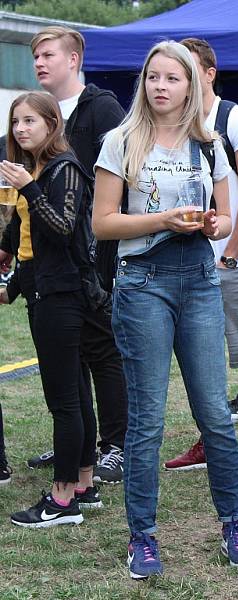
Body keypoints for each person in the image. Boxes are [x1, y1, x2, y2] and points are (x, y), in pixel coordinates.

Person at [92, 40, 238, 579]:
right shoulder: (120, 142)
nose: (161, 86)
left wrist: (213, 225)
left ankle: (234, 522)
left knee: (213, 411)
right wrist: (162, 222)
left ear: (192, 85)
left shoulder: (208, 145)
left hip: (200, 280)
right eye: (153, 77)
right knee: (147, 421)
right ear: (143, 84)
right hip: (142, 284)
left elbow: (228, 218)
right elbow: (103, 224)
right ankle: (142, 536)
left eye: (172, 78)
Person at [9, 26, 128, 483]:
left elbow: (121, 171)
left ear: (74, 59)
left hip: (91, 252)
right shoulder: (37, 115)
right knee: (69, 362)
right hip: (51, 265)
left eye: (48, 54)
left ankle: (113, 446)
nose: (39, 62)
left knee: (101, 350)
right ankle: (75, 448)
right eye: (35, 55)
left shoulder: (100, 108)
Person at [161, 38, 238, 487]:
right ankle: (213, 440)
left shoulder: (236, 120)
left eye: (187, 70)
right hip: (184, 261)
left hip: (229, 264)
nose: (179, 80)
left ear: (208, 73)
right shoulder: (172, 122)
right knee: (199, 358)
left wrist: (230, 256)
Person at [1, 91, 104, 526]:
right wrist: (12, 287)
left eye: (30, 121)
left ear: (52, 124)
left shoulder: (63, 168)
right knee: (77, 395)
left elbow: (61, 231)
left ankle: (62, 500)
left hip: (63, 298)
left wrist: (29, 188)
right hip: (48, 292)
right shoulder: (41, 169)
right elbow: (32, 246)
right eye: (16, 122)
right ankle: (84, 483)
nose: (21, 129)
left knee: (64, 400)